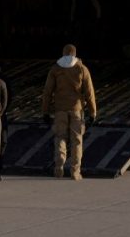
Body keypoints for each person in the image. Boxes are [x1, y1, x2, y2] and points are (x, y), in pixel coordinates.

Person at [41, 44, 96, 181]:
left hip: (60, 109)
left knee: (60, 137)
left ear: (63, 53)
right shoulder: (82, 69)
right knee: (77, 141)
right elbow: (89, 93)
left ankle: (59, 163)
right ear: (75, 54)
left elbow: (47, 92)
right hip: (77, 109)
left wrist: (45, 111)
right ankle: (75, 172)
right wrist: (93, 112)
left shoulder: (55, 69)